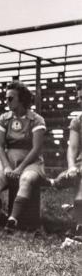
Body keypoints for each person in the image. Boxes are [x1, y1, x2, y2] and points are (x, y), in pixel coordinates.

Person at [0, 80, 46, 233]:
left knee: (26, 179)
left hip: (30, 162)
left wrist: (20, 168)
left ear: (22, 99)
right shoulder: (5, 118)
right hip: (8, 160)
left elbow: (36, 148)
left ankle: (13, 220)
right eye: (6, 98)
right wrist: (6, 166)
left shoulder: (36, 120)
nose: (7, 101)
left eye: (10, 98)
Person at [55, 83, 82, 240]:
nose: (80, 101)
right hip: (79, 166)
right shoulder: (77, 121)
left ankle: (78, 224)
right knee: (66, 178)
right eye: (78, 97)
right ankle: (78, 222)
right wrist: (71, 167)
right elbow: (72, 148)